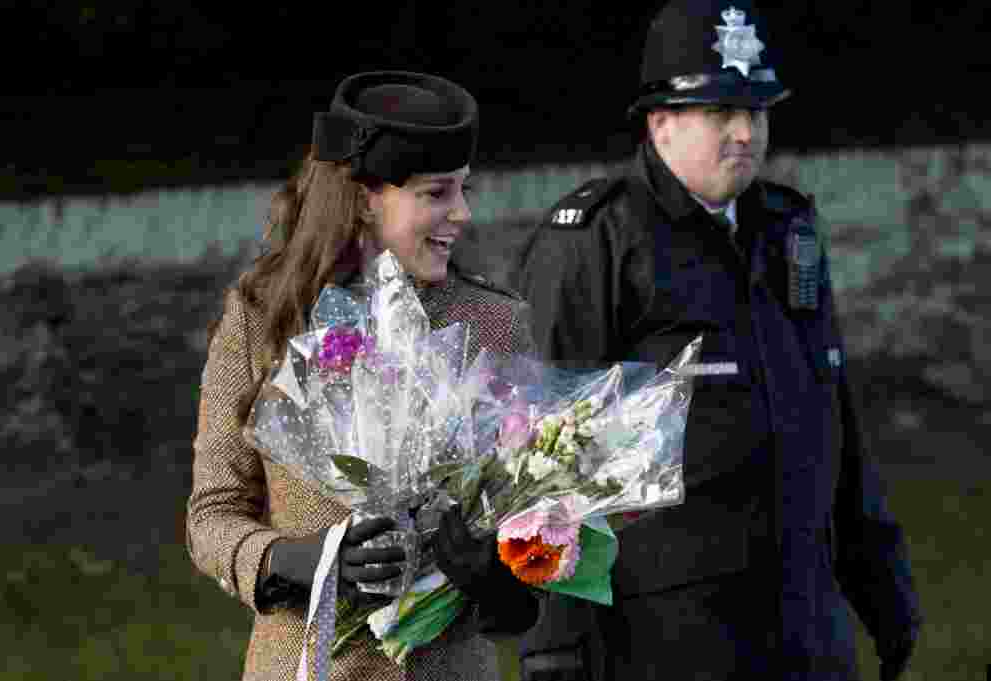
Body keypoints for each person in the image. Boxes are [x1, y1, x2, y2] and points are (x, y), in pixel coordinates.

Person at [514, 2, 923, 680]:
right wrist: (554, 643)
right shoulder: (597, 241)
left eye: (756, 112)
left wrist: (882, 582)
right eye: (720, 112)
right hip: (666, 639)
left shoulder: (788, 227)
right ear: (660, 121)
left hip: (806, 628)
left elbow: (833, 415)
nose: (744, 132)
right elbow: (538, 456)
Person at [186, 70, 539, 681]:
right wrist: (300, 561)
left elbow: (534, 531)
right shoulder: (263, 317)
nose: (462, 213)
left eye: (464, 189)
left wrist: (498, 571)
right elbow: (211, 516)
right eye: (436, 194)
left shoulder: (495, 324)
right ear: (364, 199)